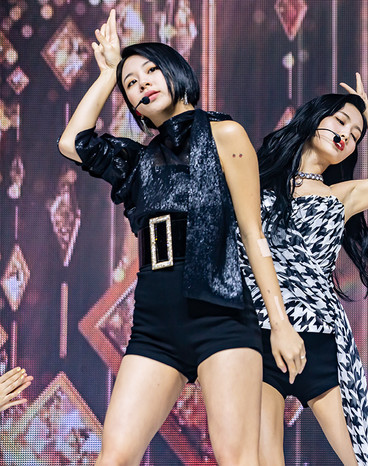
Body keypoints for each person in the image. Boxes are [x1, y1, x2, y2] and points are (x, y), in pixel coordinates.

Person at [57, 10, 304, 465]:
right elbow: (73, 142)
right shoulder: (136, 162)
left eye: (151, 70)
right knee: (114, 457)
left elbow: (253, 235)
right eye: (131, 83)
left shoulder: (225, 133)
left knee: (237, 459)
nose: (142, 84)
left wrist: (281, 325)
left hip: (222, 318)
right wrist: (108, 74)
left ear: (175, 71)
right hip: (155, 326)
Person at [237, 73, 368, 465]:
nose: (347, 134)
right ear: (314, 119)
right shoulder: (254, 183)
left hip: (321, 340)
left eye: (356, 135)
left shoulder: (342, 196)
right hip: (257, 334)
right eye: (341, 121)